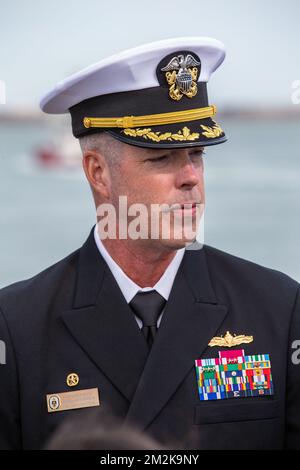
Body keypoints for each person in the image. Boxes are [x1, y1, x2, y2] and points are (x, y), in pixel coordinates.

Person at [0, 37, 299, 450]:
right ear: (98, 172)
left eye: (197, 153)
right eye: (161, 159)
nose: (191, 176)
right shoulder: (16, 328)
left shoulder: (280, 310)